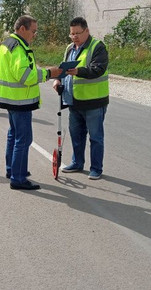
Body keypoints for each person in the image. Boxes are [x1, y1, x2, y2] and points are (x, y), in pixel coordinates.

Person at [0, 15, 62, 190]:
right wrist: (49, 73)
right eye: (33, 31)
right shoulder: (18, 48)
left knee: (14, 135)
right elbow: (25, 76)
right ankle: (18, 178)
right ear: (22, 29)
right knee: (23, 139)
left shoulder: (7, 43)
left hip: (11, 99)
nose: (35, 35)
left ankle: (12, 170)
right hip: (20, 101)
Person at [52, 17, 109, 180]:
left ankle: (96, 168)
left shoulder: (97, 47)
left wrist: (78, 71)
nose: (74, 37)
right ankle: (77, 163)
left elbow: (97, 69)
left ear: (87, 31)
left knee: (95, 137)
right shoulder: (70, 48)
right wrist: (58, 80)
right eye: (72, 34)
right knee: (76, 134)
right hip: (73, 100)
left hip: (94, 101)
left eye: (77, 33)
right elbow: (64, 68)